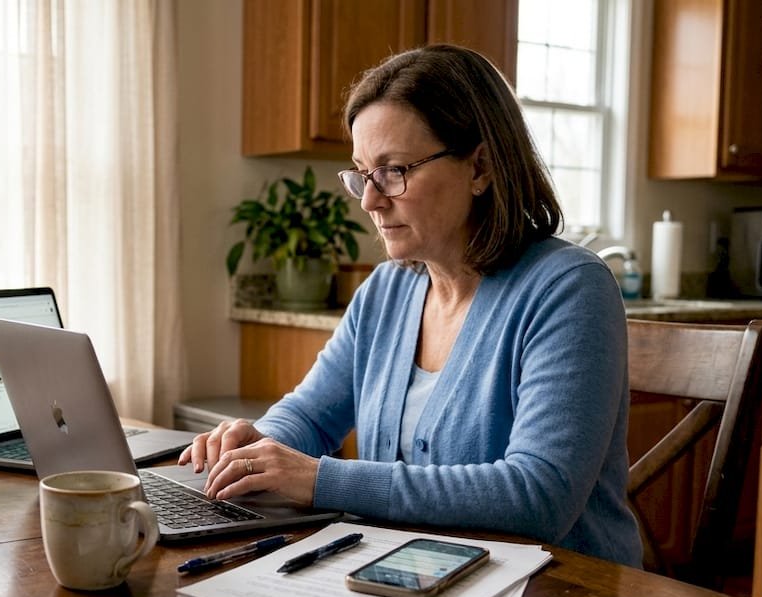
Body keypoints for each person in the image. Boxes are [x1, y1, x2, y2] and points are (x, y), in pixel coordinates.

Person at [180, 44, 641, 566]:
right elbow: (310, 414)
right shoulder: (386, 290)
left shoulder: (570, 288)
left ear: (481, 166)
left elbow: (538, 497)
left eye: (394, 170)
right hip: (409, 577)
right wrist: (258, 445)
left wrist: (320, 479)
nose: (371, 201)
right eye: (361, 174)